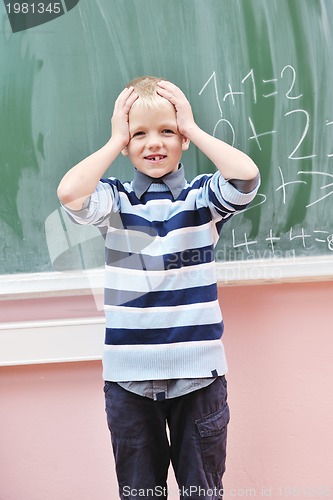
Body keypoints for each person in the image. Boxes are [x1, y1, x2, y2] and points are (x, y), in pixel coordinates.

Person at [57, 76, 260, 500]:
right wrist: (115, 138)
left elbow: (246, 177)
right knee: (140, 494)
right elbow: (70, 193)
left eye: (168, 131)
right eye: (139, 134)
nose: (155, 143)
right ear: (126, 144)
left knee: (203, 494)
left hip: (198, 379)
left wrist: (195, 128)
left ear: (183, 137)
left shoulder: (202, 199)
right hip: (129, 382)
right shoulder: (114, 201)